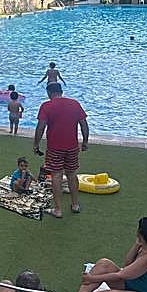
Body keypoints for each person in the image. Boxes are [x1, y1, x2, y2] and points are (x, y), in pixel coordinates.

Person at [62, 218, 147, 292]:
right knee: (104, 264)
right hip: (130, 286)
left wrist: (92, 278)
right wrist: (137, 244)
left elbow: (121, 275)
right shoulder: (145, 245)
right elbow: (127, 264)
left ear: (140, 233)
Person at [33, 83, 88, 218]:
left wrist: (36, 144)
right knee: (72, 174)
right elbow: (84, 124)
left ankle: (58, 209)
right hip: (72, 146)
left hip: (55, 148)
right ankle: (75, 204)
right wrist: (85, 141)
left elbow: (41, 127)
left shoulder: (46, 106)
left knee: (56, 175)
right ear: (61, 91)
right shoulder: (75, 104)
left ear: (49, 93)